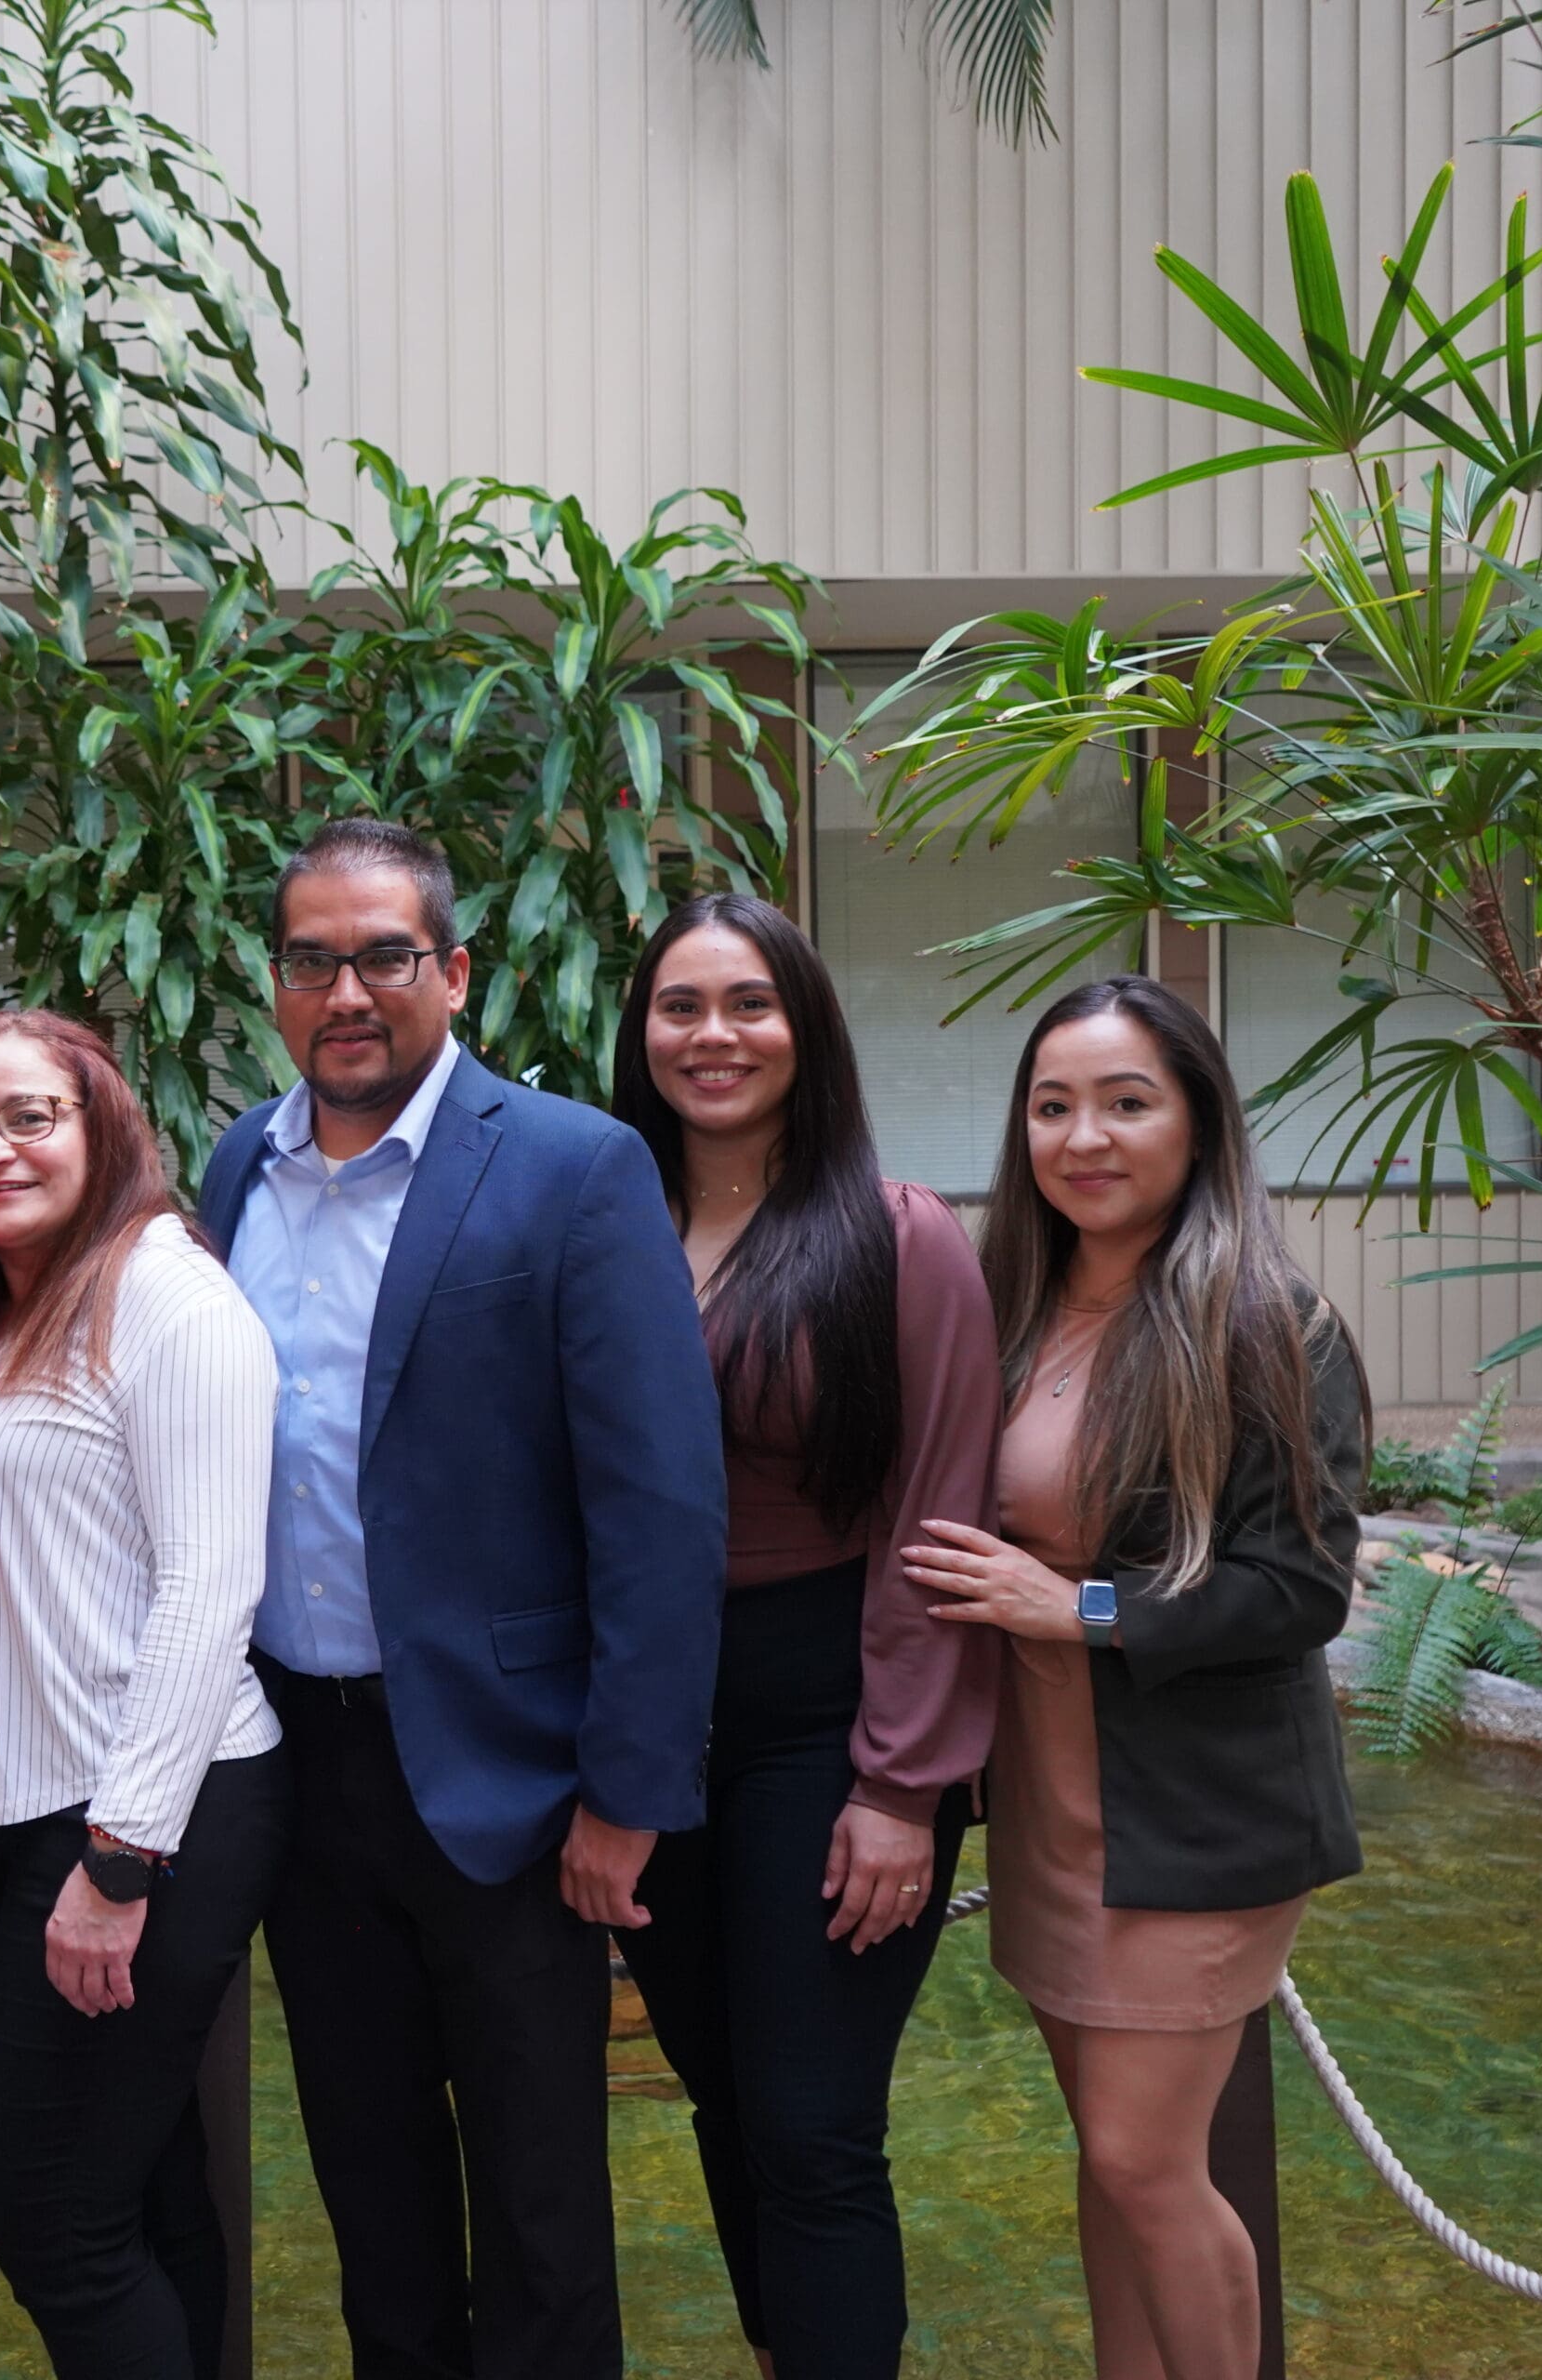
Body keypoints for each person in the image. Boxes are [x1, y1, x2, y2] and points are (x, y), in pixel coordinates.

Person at [196, 817, 728, 2380]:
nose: (345, 990)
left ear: (454, 971)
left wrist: (625, 1794)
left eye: (382, 956)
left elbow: (659, 1506)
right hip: (301, 1763)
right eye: (312, 960)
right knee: (372, 2189)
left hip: (508, 1772)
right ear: (277, 980)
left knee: (544, 2205)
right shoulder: (242, 1162)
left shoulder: (571, 1165)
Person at [903, 974, 1366, 2380]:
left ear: (1196, 1119)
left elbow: (1303, 1588)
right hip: (1054, 1814)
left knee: (1144, 2161)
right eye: (1053, 1106)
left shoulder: (1267, 1320)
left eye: (1124, 1102)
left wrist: (1082, 1607)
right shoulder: (1019, 1305)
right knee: (1108, 2168)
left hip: (1196, 1823)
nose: (1083, 1136)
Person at [603, 893, 1000, 2379]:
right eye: (682, 1007)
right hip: (654, 1719)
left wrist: (903, 1784)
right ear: (639, 1034)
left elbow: (938, 1520)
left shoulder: (897, 1240)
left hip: (831, 1717)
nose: (714, 1036)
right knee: (719, 2097)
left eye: (750, 1003)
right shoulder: (603, 1225)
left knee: (813, 2123)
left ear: (806, 1027)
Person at [0, 1009, 290, 2380]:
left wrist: (119, 1862)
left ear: (101, 1123)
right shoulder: (11, 1311)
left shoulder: (167, 1292)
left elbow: (210, 1590)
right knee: (142, 2194)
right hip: (28, 1808)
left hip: (143, 1812)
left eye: (28, 1116)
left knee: (52, 2222)